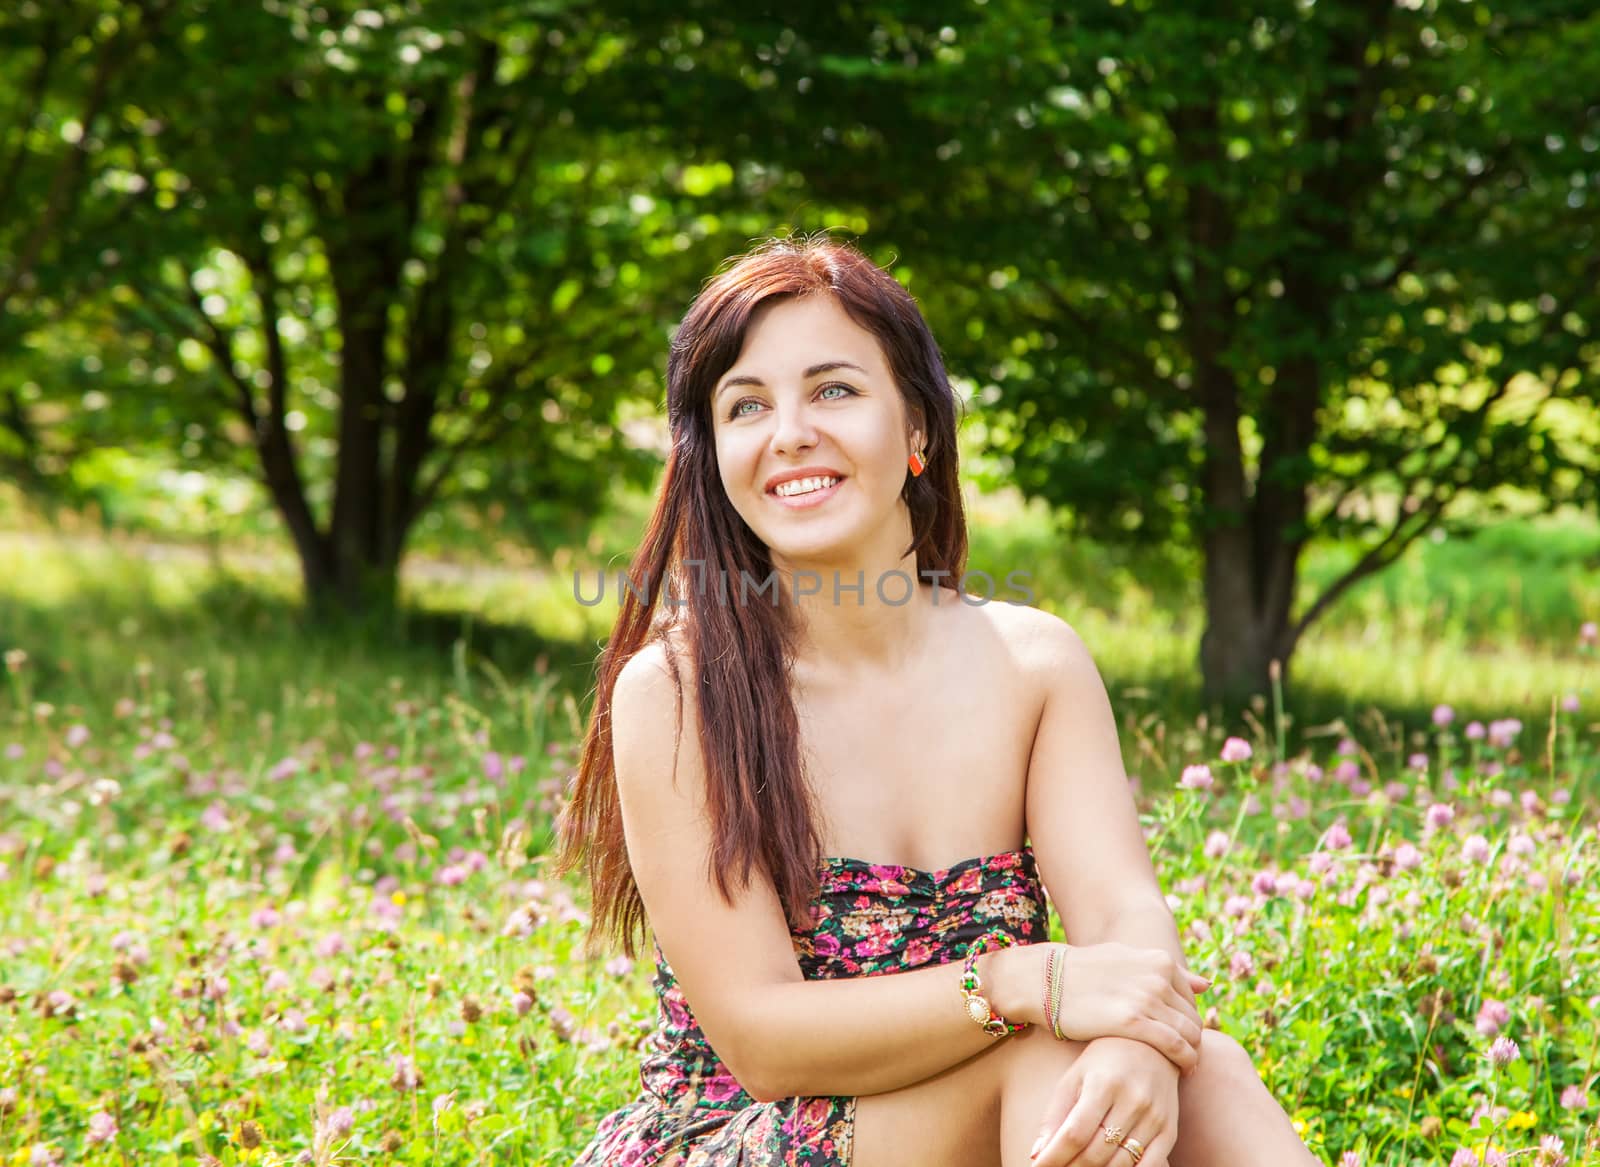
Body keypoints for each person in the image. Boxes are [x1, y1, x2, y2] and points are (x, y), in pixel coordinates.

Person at [552, 234, 1321, 1166]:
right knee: (1042, 1057)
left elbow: (1125, 916)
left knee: (1207, 1070)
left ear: (918, 429)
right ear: (715, 453)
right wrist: (1014, 979)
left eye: (833, 389)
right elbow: (763, 1040)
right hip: (741, 1136)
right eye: (746, 405)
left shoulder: (1033, 664)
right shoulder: (676, 694)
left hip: (995, 1102)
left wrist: (1136, 1041)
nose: (790, 430)